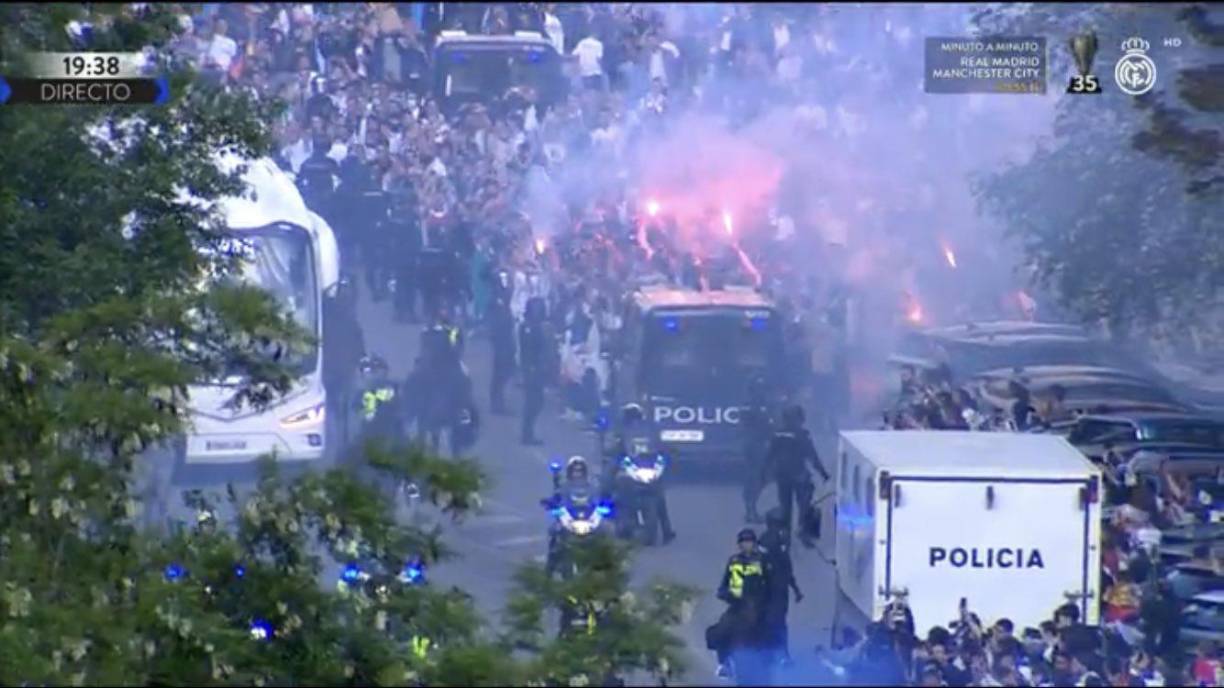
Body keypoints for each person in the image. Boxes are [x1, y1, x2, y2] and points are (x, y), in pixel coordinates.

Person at [605, 403, 676, 545]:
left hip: (647, 463)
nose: (634, 420)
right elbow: (611, 445)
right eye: (632, 418)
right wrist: (613, 449)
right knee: (608, 478)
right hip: (627, 464)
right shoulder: (620, 431)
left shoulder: (649, 431)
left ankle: (667, 529)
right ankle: (606, 507)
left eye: (636, 417)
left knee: (659, 495)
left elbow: (660, 445)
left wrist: (667, 451)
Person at [762, 404, 831, 547]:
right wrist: (823, 473)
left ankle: (785, 537)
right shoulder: (802, 434)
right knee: (804, 507)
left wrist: (764, 473)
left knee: (785, 507)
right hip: (799, 475)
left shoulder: (778, 434)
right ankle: (804, 534)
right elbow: (812, 456)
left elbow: (770, 455)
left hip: (782, 476)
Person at [708, 527, 772, 680]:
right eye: (744, 542)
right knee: (720, 630)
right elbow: (723, 585)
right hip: (737, 606)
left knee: (773, 631)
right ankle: (724, 664)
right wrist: (725, 594)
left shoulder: (762, 561)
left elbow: (771, 585)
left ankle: (778, 659)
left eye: (749, 542)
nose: (747, 545)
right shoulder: (733, 561)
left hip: (759, 606)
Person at [759, 507, 803, 667]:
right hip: (770, 589)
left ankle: (779, 653)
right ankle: (774, 653)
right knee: (773, 621)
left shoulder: (781, 541)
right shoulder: (765, 541)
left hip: (779, 589)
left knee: (777, 621)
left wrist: (795, 588)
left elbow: (786, 566)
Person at [740, 376, 774, 524]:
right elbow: (758, 423)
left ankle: (751, 508)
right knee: (755, 477)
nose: (762, 391)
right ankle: (750, 510)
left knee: (763, 477)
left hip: (760, 444)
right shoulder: (750, 404)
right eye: (760, 388)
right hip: (754, 445)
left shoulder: (763, 403)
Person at [519, 296, 549, 446]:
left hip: (536, 368)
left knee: (537, 401)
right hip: (531, 368)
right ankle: (526, 434)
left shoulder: (536, 326)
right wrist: (529, 367)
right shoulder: (527, 327)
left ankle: (528, 432)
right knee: (533, 401)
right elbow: (527, 350)